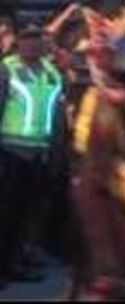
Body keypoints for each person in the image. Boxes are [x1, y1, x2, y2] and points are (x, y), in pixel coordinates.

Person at [0, 27, 65, 286]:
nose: (34, 46)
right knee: (5, 213)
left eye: (38, 41)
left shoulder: (52, 73)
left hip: (40, 153)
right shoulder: (7, 69)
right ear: (19, 43)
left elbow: (57, 114)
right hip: (9, 151)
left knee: (27, 213)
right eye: (28, 40)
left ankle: (14, 260)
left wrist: (56, 150)